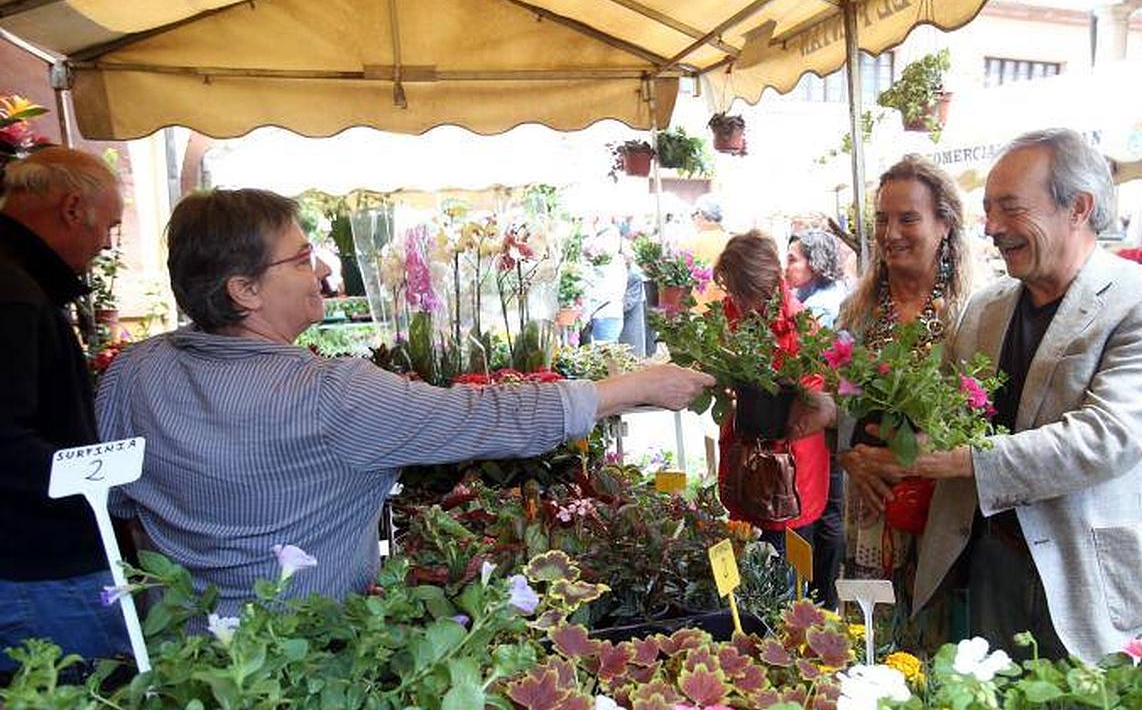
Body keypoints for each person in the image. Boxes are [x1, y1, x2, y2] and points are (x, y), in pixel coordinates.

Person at [95, 189, 713, 615]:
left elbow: (118, 505)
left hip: (180, 661)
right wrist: (638, 385)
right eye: (304, 259)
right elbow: (489, 418)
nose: (323, 273)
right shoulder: (330, 393)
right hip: (310, 662)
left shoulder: (133, 372)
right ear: (243, 290)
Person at [894, 128, 1142, 662]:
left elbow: (1107, 438)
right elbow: (939, 405)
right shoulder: (985, 308)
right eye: (988, 210)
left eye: (1010, 209)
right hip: (993, 565)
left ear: (1079, 207)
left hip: (1098, 580)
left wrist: (959, 460)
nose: (991, 228)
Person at [828, 156, 974, 647]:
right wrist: (850, 457)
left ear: (945, 224)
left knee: (930, 646)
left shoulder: (973, 313)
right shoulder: (859, 310)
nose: (891, 233)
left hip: (937, 509)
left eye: (908, 218)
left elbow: (984, 418)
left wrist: (918, 459)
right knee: (866, 640)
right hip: (868, 506)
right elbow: (838, 402)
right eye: (883, 220)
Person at [1, 147, 131, 673]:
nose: (105, 243)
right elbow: (4, 439)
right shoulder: (13, 294)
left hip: (33, 564)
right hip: (42, 568)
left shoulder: (20, 283)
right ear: (74, 208)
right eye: (110, 226)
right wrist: (95, 480)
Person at [713, 231, 829, 554]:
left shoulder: (801, 325)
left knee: (787, 563)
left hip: (787, 469)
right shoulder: (730, 314)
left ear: (761, 286)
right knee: (749, 552)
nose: (734, 299)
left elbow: (814, 397)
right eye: (731, 291)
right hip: (744, 459)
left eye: (740, 291)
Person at [783, 227, 851, 607]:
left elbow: (819, 371)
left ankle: (820, 599)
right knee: (829, 510)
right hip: (827, 421)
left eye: (794, 259)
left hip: (825, 421)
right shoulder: (814, 298)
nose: (787, 266)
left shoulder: (820, 309)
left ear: (815, 263)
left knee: (826, 511)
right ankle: (823, 599)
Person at [785, 228, 850, 330]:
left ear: (815, 263)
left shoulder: (818, 310)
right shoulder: (837, 287)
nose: (786, 267)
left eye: (792, 260)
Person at [687, 194, 729, 309]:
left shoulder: (690, 243)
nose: (693, 220)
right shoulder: (733, 243)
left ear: (700, 214)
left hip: (699, 312)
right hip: (728, 312)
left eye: (693, 215)